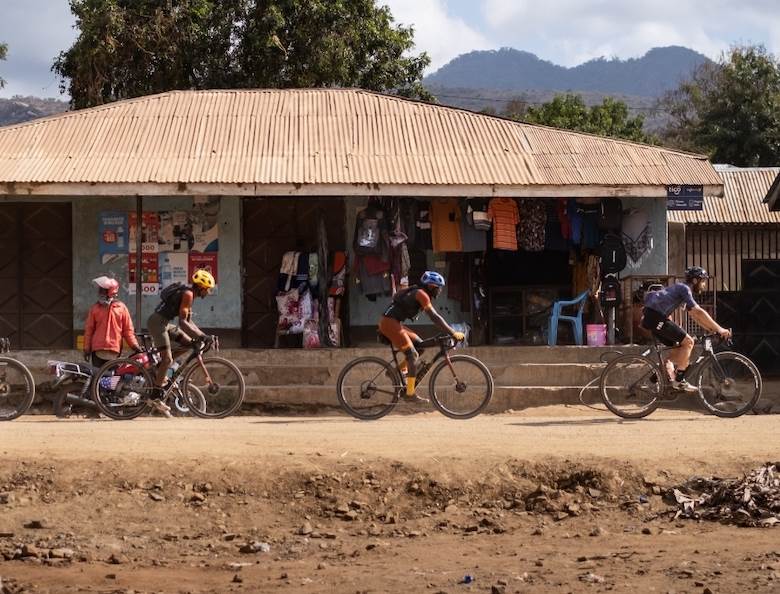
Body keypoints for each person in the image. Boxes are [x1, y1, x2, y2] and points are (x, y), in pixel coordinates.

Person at [379, 271, 466, 403]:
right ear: (431, 286)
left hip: (393, 322)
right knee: (412, 355)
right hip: (390, 323)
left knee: (420, 346)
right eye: (439, 288)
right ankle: (410, 393)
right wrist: (452, 333)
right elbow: (434, 317)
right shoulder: (421, 294)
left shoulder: (420, 293)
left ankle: (394, 372)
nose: (440, 291)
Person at [641, 266, 731, 392]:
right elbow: (698, 311)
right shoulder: (684, 288)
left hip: (654, 317)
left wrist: (711, 330)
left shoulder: (682, 290)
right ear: (695, 281)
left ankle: (656, 378)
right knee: (688, 342)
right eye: (703, 281)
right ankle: (679, 381)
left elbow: (695, 316)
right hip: (655, 317)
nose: (704, 285)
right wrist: (720, 329)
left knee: (680, 346)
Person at [146, 270, 216, 416]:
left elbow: (189, 322)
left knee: (190, 343)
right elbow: (183, 323)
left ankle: (160, 369)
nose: (208, 293)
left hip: (164, 324)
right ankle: (155, 396)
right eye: (207, 289)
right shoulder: (188, 294)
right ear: (201, 287)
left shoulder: (190, 295)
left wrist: (202, 336)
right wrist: (203, 336)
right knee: (167, 359)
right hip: (157, 324)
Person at [83, 276, 141, 368]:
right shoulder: (95, 308)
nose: (100, 293)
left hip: (113, 351)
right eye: (100, 290)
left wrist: (135, 347)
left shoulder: (121, 308)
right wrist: (86, 349)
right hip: (98, 350)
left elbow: (128, 331)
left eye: (103, 290)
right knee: (97, 378)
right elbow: (89, 330)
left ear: (110, 292)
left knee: (113, 379)